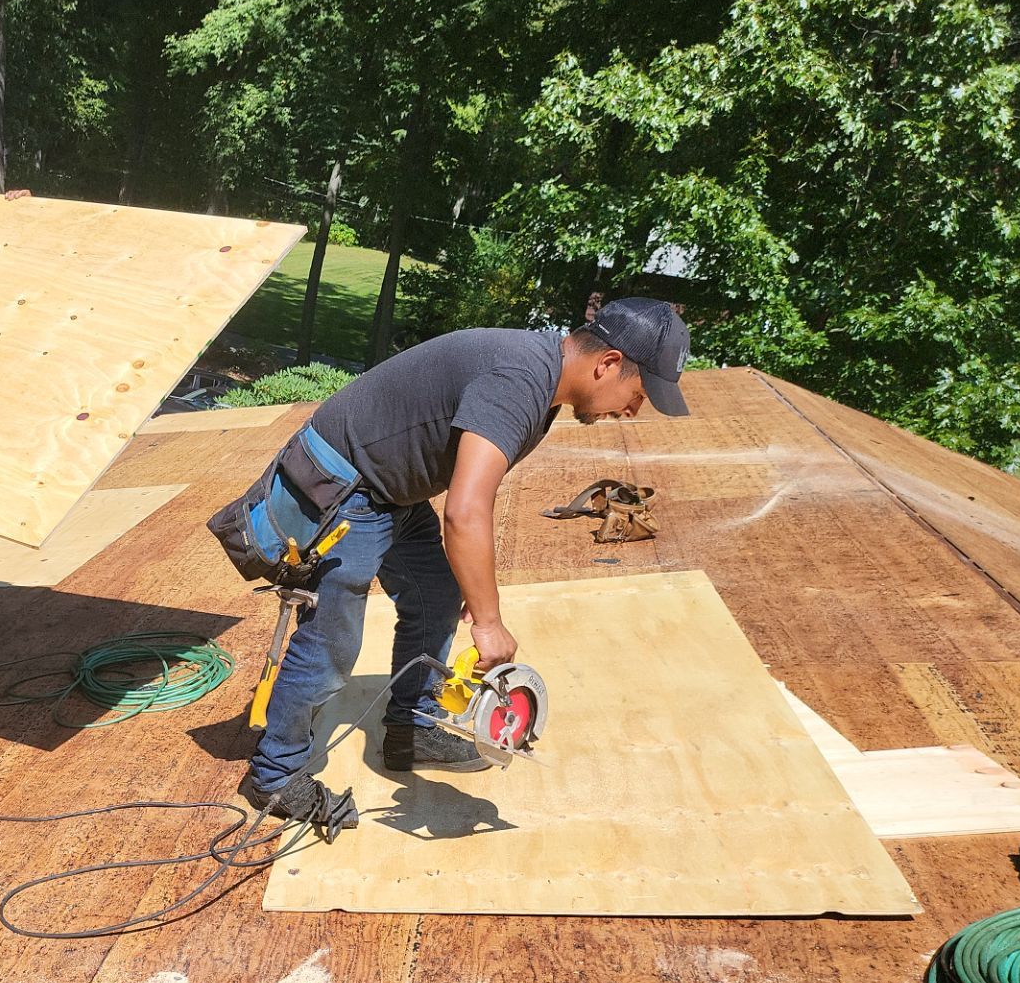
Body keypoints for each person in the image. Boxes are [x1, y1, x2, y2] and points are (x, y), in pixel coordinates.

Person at [240, 297, 692, 827]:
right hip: (350, 487)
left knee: (435, 596)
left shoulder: (541, 379)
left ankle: (410, 728)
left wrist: (472, 595)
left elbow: (463, 499)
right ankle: (275, 775)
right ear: (609, 363)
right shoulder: (519, 380)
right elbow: (465, 510)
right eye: (638, 394)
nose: (633, 409)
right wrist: (489, 623)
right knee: (332, 645)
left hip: (392, 488)